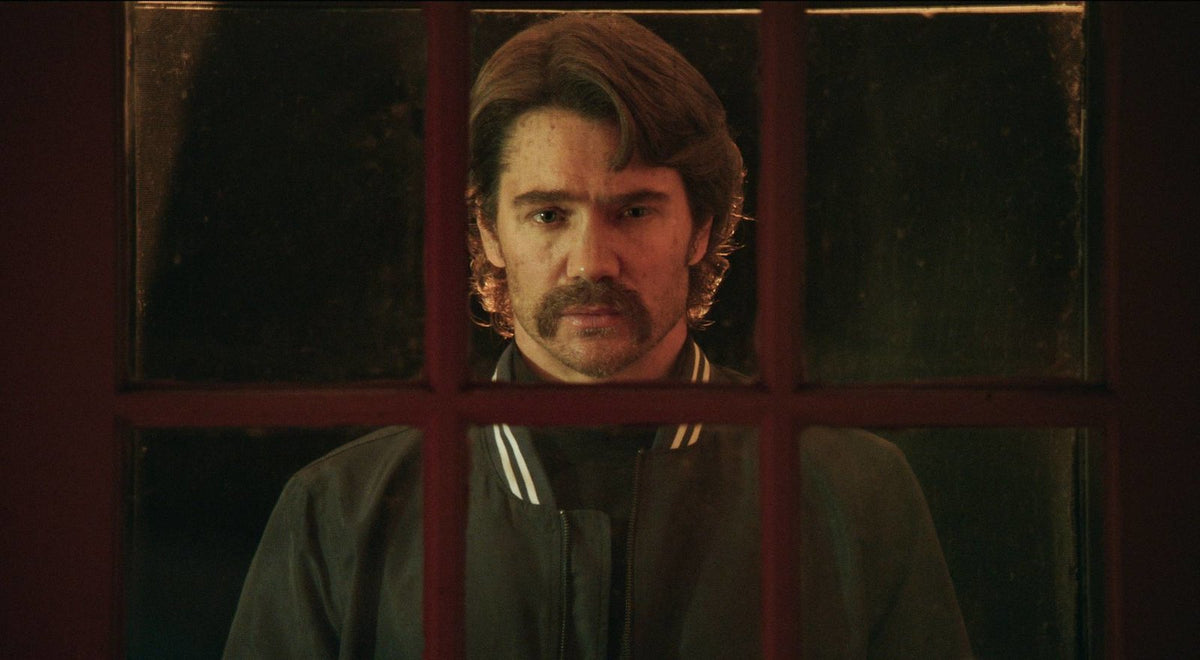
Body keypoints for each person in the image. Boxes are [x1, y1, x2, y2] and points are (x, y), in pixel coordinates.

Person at [225, 13, 970, 658]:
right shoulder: (342, 509)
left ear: (701, 228)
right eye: (549, 214)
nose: (592, 262)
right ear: (489, 231)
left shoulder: (855, 492)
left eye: (634, 212)